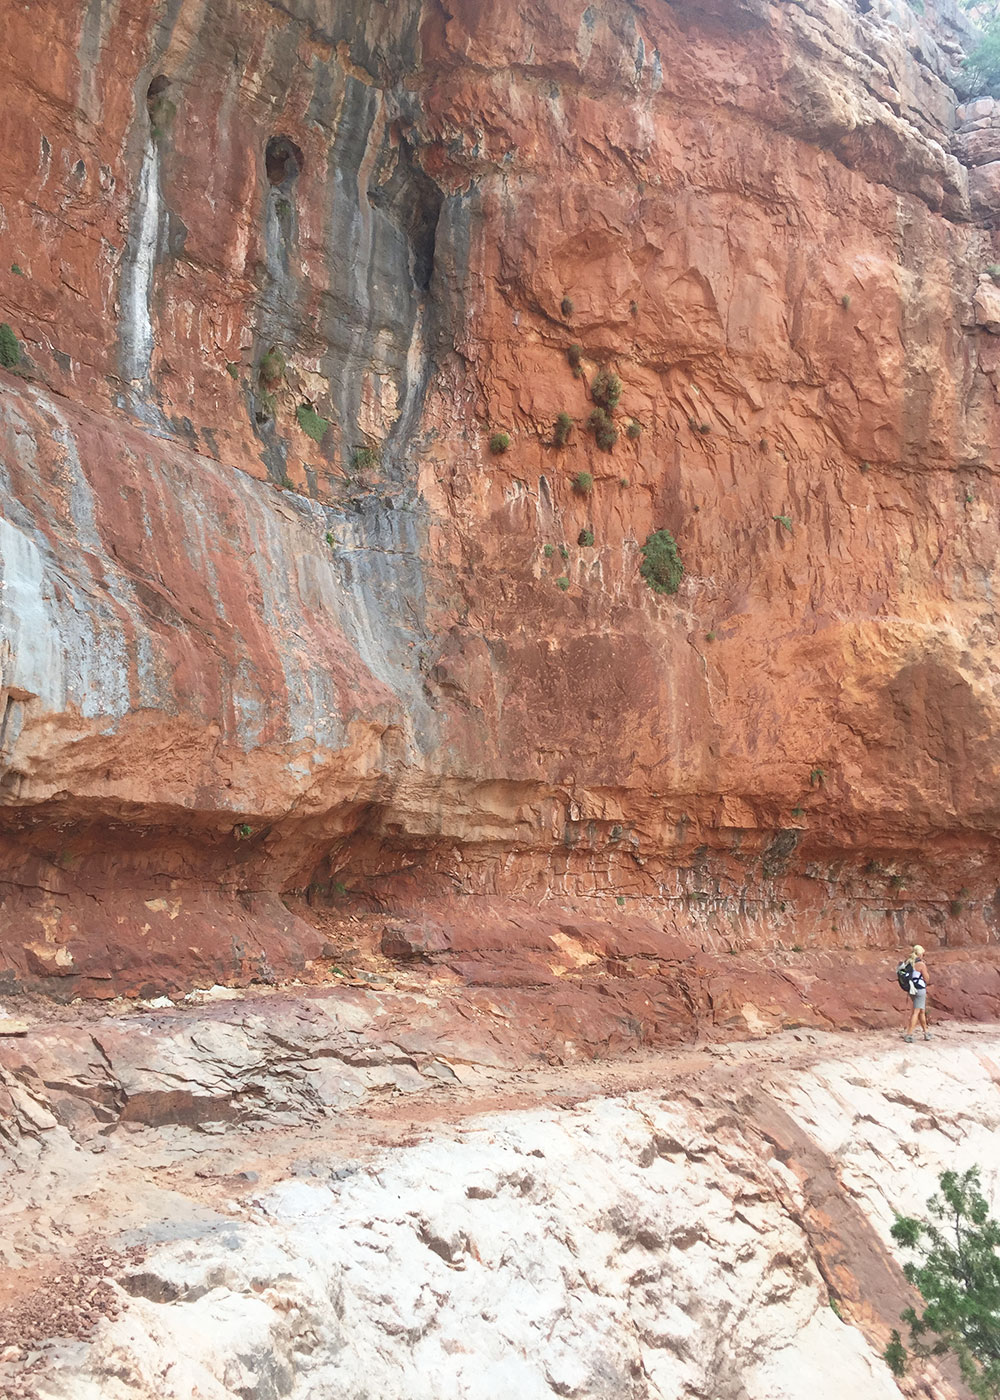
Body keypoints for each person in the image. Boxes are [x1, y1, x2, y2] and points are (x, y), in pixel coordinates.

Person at [903, 944, 931, 1043]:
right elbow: (927, 978)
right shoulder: (921, 964)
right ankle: (909, 1034)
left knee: (921, 1011)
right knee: (916, 1011)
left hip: (911, 990)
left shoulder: (908, 962)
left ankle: (926, 1032)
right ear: (920, 954)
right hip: (920, 989)